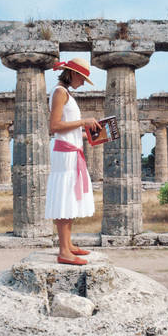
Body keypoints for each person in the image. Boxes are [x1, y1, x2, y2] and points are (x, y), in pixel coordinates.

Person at [45, 57, 101, 266]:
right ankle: (63, 251)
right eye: (83, 78)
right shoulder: (59, 92)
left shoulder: (66, 93)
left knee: (70, 198)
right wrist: (84, 122)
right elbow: (55, 126)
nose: (84, 82)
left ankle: (68, 245)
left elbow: (69, 129)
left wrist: (90, 136)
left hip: (71, 151)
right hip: (65, 154)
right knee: (64, 197)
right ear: (73, 74)